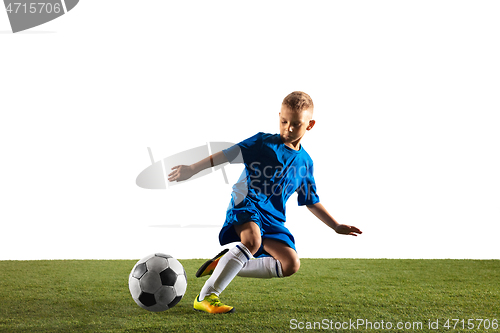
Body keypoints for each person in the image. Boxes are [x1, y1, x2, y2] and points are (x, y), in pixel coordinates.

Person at [168, 91, 362, 314]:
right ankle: (206, 296)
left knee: (290, 264)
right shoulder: (262, 143)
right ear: (279, 116)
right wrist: (192, 169)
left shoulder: (305, 163)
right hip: (246, 204)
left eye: (296, 124)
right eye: (283, 121)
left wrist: (335, 225)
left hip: (272, 219)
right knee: (251, 241)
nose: (288, 128)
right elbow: (227, 155)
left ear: (310, 125)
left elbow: (311, 201)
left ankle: (227, 262)